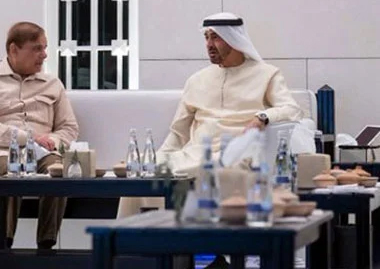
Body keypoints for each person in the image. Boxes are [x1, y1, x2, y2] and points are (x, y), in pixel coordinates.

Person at [118, 12, 303, 218]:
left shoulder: (267, 74)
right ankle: (125, 245)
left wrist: (262, 117)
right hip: (194, 153)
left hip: (237, 155)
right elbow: (178, 133)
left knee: (207, 169)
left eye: (215, 37)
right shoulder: (196, 80)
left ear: (234, 39)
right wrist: (153, 160)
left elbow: (291, 109)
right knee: (137, 181)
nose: (209, 44)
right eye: (206, 37)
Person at [0, 21, 79, 249]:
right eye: (37, 48)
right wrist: (27, 138)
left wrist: (51, 141)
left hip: (43, 152)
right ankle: (4, 247)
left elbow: (69, 127)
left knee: (58, 171)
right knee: (12, 168)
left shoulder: (52, 83)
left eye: (45, 48)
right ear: (13, 49)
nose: (44, 55)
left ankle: (47, 247)